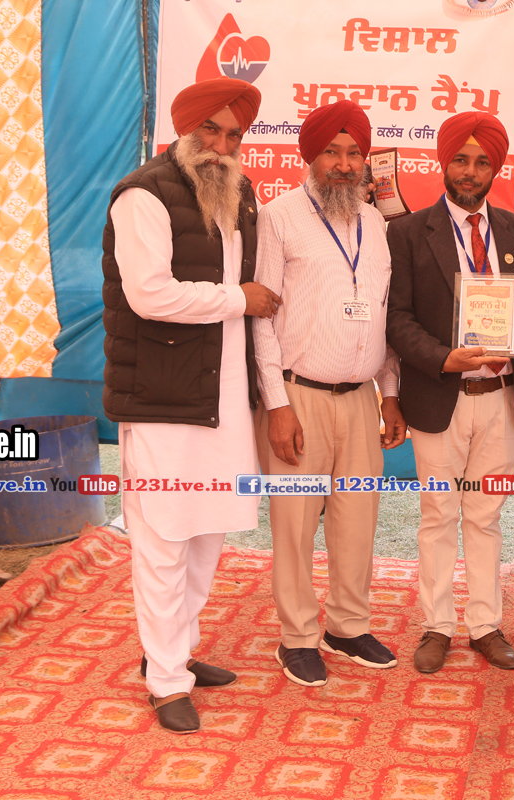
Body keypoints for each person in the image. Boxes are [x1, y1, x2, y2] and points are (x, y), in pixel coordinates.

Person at [102, 77, 281, 733]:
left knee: (207, 531)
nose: (222, 146)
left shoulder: (241, 194)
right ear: (184, 129)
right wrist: (240, 300)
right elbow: (150, 294)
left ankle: (173, 651)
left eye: (234, 135)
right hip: (161, 400)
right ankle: (166, 679)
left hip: (224, 399)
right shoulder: (143, 195)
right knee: (163, 538)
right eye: (212, 130)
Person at [253, 100, 408, 688]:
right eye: (332, 153)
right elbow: (261, 318)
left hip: (361, 397)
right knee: (294, 524)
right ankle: (297, 636)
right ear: (310, 157)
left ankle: (347, 626)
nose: (344, 164)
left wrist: (389, 393)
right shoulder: (279, 218)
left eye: (354, 153)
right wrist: (277, 404)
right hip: (300, 396)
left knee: (356, 519)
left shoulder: (376, 223)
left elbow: (384, 314)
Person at [386, 112, 514, 673]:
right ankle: (437, 626)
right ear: (442, 163)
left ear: (496, 169)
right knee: (437, 515)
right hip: (438, 396)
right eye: (461, 160)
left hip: (500, 396)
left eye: (482, 162)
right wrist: (442, 358)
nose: (470, 172)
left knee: (486, 515)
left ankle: (485, 625)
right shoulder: (407, 232)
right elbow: (397, 318)